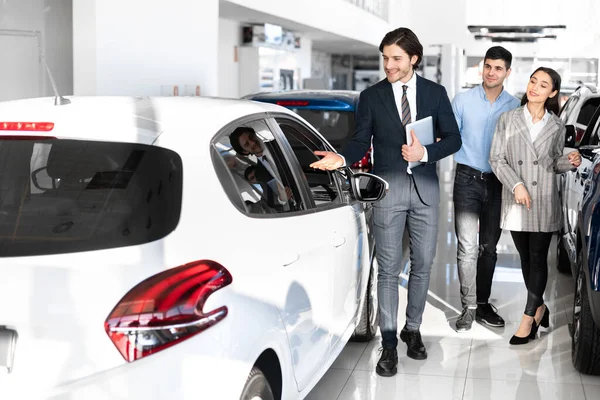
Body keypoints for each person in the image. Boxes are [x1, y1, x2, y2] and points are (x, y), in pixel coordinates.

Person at [309, 27, 461, 376]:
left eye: (395, 58)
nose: (388, 65)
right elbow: (361, 141)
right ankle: (389, 344)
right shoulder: (371, 96)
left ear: (413, 59)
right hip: (388, 192)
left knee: (422, 265)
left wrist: (426, 152)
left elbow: (454, 139)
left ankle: (413, 328)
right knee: (388, 270)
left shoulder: (436, 93)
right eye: (385, 58)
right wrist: (342, 158)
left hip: (425, 190)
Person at [489, 67, 581, 345]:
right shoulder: (508, 119)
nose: (535, 88)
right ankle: (541, 306)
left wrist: (569, 161)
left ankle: (528, 317)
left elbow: (553, 161)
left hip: (542, 199)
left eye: (543, 85)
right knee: (526, 258)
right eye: (532, 81)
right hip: (517, 198)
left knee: (539, 258)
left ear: (552, 93)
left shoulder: (556, 126)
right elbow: (496, 159)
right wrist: (516, 185)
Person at [451, 46, 521, 332]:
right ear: (483, 67)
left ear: (508, 72)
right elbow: (450, 139)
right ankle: (467, 308)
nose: (492, 72)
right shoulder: (463, 100)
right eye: (488, 66)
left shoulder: (515, 105)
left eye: (498, 68)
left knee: (488, 248)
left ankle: (482, 304)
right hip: (466, 178)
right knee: (467, 246)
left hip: (498, 182)